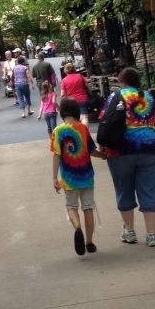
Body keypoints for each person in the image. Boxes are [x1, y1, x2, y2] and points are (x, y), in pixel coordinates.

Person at [98, 68, 155, 247]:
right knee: (150, 189)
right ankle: (152, 235)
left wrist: (103, 147)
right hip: (149, 148)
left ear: (122, 82)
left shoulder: (115, 97)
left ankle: (129, 231)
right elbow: (154, 118)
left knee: (123, 188)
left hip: (120, 149)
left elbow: (106, 120)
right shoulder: (148, 97)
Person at [52, 97, 105, 256]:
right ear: (76, 111)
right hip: (87, 176)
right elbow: (91, 151)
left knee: (71, 206)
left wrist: (55, 178)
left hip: (69, 178)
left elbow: (56, 156)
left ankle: (77, 228)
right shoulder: (83, 129)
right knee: (88, 207)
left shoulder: (58, 131)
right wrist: (103, 156)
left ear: (62, 112)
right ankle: (89, 242)